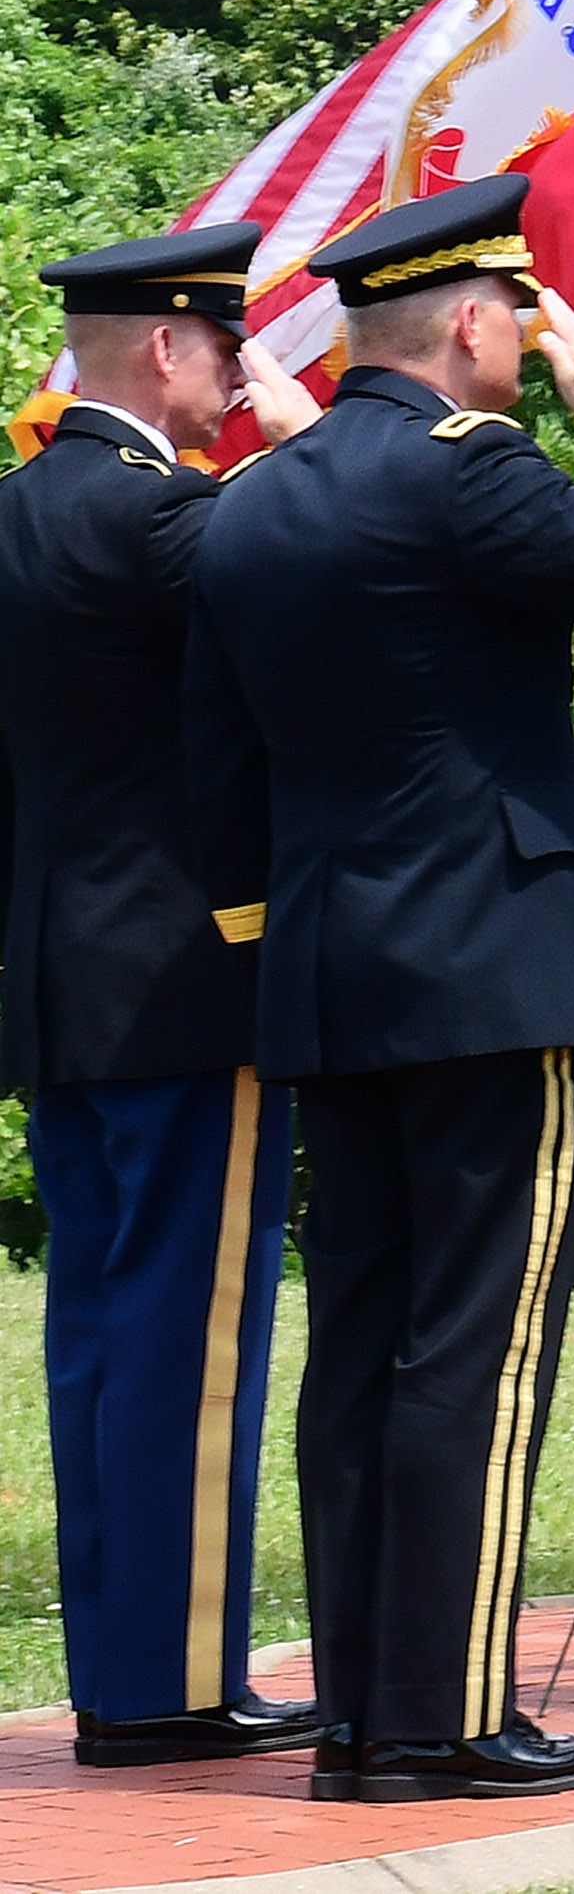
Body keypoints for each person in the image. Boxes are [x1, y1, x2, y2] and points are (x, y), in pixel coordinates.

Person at [184, 173, 574, 1803]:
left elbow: (220, 784)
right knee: (476, 1354)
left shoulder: (251, 506)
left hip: (326, 980)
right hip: (491, 973)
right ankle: (449, 1718)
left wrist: (261, 949)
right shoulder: (463, 472)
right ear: (482, 327)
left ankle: (364, 1713)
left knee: (361, 1341)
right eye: (525, 328)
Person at [0, 224, 323, 1765]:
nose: (234, 388)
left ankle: (128, 1672)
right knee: (193, 1351)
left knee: (103, 1339)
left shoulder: (13, 511)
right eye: (227, 353)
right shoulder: (167, 520)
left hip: (61, 990)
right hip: (191, 989)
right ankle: (175, 1689)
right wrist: (308, 432)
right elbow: (333, 542)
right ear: (173, 350)